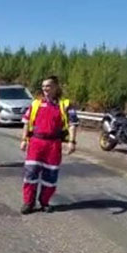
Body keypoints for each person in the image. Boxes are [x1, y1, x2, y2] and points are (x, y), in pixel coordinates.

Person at [20, 76, 79, 214]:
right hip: (36, 143)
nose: (45, 88)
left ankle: (44, 202)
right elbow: (26, 123)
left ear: (56, 87)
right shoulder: (36, 104)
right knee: (30, 174)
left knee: (50, 176)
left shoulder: (65, 105)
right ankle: (29, 202)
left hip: (53, 145)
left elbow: (73, 124)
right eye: (43, 86)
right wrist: (24, 140)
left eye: (48, 86)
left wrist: (71, 142)